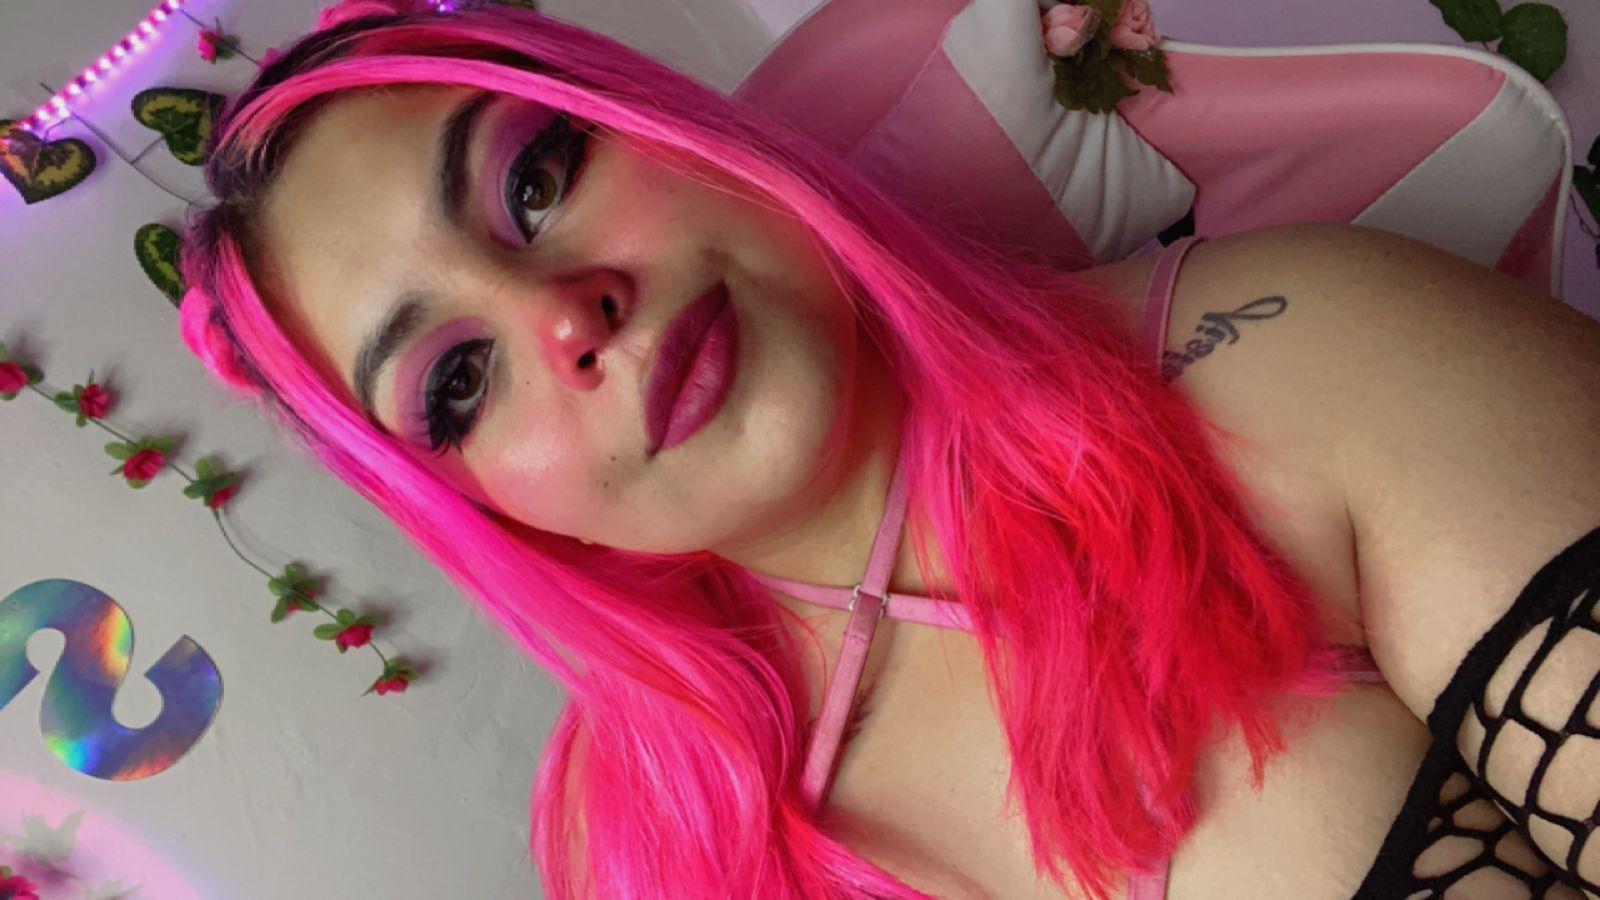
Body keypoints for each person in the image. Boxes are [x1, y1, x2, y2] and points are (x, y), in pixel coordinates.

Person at [176, 1, 1600, 896]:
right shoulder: (638, 852)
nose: (563, 318)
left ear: (672, 132)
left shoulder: (1294, 352)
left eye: (536, 180)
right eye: (458, 383)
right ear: (484, 508)